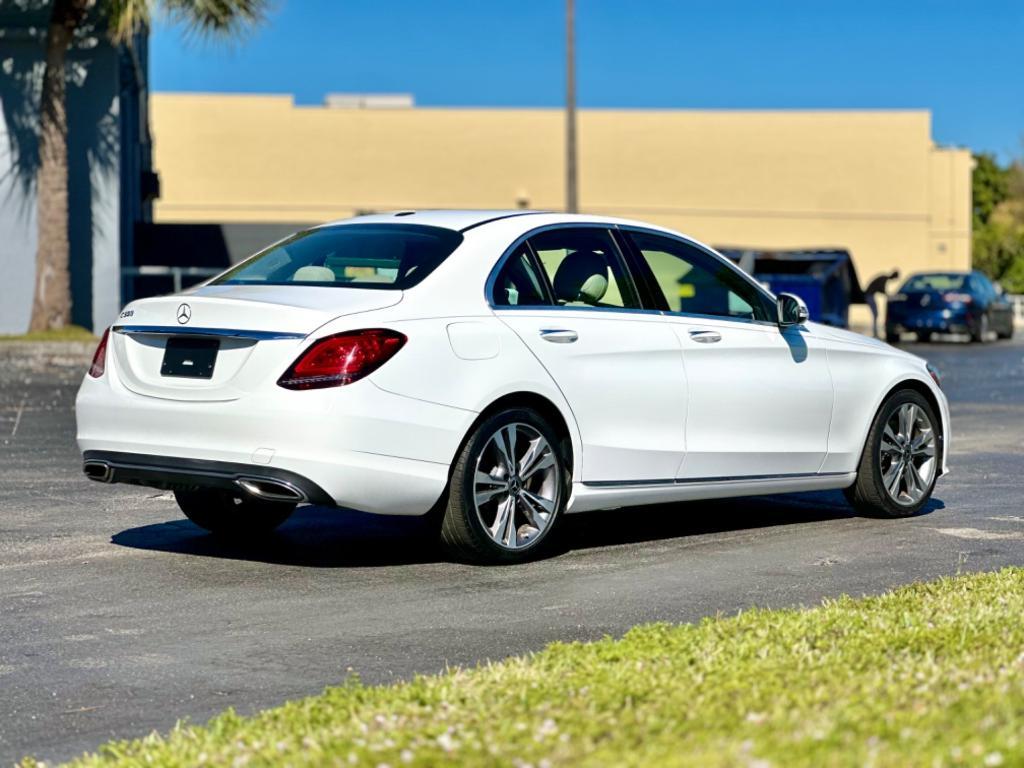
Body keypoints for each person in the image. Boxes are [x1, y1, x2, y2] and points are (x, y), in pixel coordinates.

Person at [863, 269, 900, 338]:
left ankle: (875, 330)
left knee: (876, 313)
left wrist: (888, 295)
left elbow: (881, 289)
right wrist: (889, 295)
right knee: (875, 313)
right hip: (869, 295)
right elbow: (881, 289)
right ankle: (874, 330)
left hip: (870, 295)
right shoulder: (884, 279)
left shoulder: (884, 278)